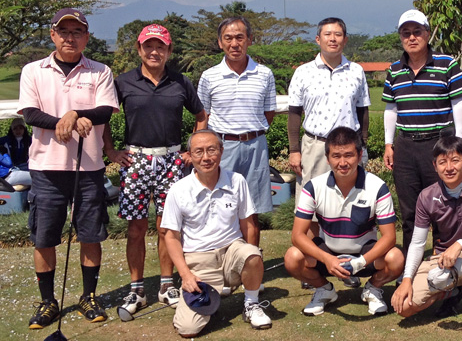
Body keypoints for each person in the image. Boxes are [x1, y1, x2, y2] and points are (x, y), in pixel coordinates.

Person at [18, 8, 119, 329]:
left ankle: (88, 296)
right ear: (53, 35)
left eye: (77, 32)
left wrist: (73, 113)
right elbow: (30, 114)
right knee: (44, 237)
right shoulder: (34, 70)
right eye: (64, 32)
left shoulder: (100, 71)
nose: (70, 38)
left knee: (91, 235)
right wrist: (65, 120)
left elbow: (105, 110)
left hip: (88, 168)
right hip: (46, 168)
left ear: (87, 37)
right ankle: (48, 301)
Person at [103, 24, 207, 316]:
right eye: (148, 46)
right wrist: (110, 150)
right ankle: (136, 289)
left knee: (167, 227)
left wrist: (191, 150)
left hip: (171, 160)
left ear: (168, 51)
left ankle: (165, 285)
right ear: (139, 49)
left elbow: (200, 115)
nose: (154, 51)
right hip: (134, 160)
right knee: (135, 229)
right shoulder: (123, 82)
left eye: (160, 47)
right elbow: (105, 117)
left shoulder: (180, 81)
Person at [161, 129, 272, 336]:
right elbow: (171, 237)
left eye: (212, 150)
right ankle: (212, 296)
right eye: (199, 152)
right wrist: (185, 275)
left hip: (232, 250)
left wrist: (254, 255)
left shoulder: (237, 181)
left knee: (252, 255)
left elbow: (248, 224)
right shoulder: (178, 190)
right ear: (189, 155)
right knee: (188, 328)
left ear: (221, 151)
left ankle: (251, 304)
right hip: (199, 261)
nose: (206, 158)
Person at [287, 17, 371, 288]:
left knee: (351, 206)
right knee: (310, 211)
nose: (333, 39)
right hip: (315, 146)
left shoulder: (356, 71)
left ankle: (349, 265)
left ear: (345, 40)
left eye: (338, 34)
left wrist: (364, 145)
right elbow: (294, 114)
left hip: (349, 148)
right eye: (327, 34)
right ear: (318, 39)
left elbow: (363, 110)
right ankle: (314, 269)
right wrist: (294, 150)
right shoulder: (303, 72)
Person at [284, 127, 404, 316]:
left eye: (348, 155)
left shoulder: (377, 187)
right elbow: (297, 236)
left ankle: (372, 288)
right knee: (293, 257)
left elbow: (389, 237)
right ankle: (324, 289)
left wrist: (361, 262)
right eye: (336, 156)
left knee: (396, 258)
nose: (342, 162)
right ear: (327, 157)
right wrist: (327, 259)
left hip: (365, 253)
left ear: (359, 155)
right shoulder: (313, 187)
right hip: (328, 252)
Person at [391, 136, 462, 339]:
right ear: (435, 166)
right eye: (442, 162)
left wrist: (459, 244)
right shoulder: (426, 196)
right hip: (443, 261)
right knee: (404, 308)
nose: (449, 168)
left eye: (455, 160)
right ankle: (452, 291)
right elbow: (417, 243)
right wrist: (406, 280)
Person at [382, 9, 462, 250]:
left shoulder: (446, 64)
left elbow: (458, 103)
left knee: (444, 207)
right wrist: (389, 144)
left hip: (438, 145)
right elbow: (391, 108)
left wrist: (459, 141)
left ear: (427, 34)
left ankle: (446, 268)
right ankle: (411, 269)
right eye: (406, 33)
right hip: (406, 147)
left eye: (417, 32)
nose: (411, 37)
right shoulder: (394, 70)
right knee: (410, 212)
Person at [198, 16, 276, 231]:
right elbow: (203, 116)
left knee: (253, 209)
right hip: (222, 147)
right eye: (228, 38)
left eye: (240, 37)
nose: (235, 44)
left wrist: (250, 132)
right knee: (219, 204)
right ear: (220, 42)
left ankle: (252, 259)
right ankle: (222, 257)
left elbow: (269, 112)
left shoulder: (265, 74)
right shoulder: (209, 76)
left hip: (255, 146)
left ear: (250, 39)